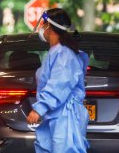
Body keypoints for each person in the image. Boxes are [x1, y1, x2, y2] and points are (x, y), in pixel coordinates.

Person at [27, 8, 90, 153]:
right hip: (55, 116)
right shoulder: (55, 53)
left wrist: (39, 109)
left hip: (64, 117)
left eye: (43, 23)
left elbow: (58, 85)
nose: (41, 27)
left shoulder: (64, 55)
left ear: (49, 27)